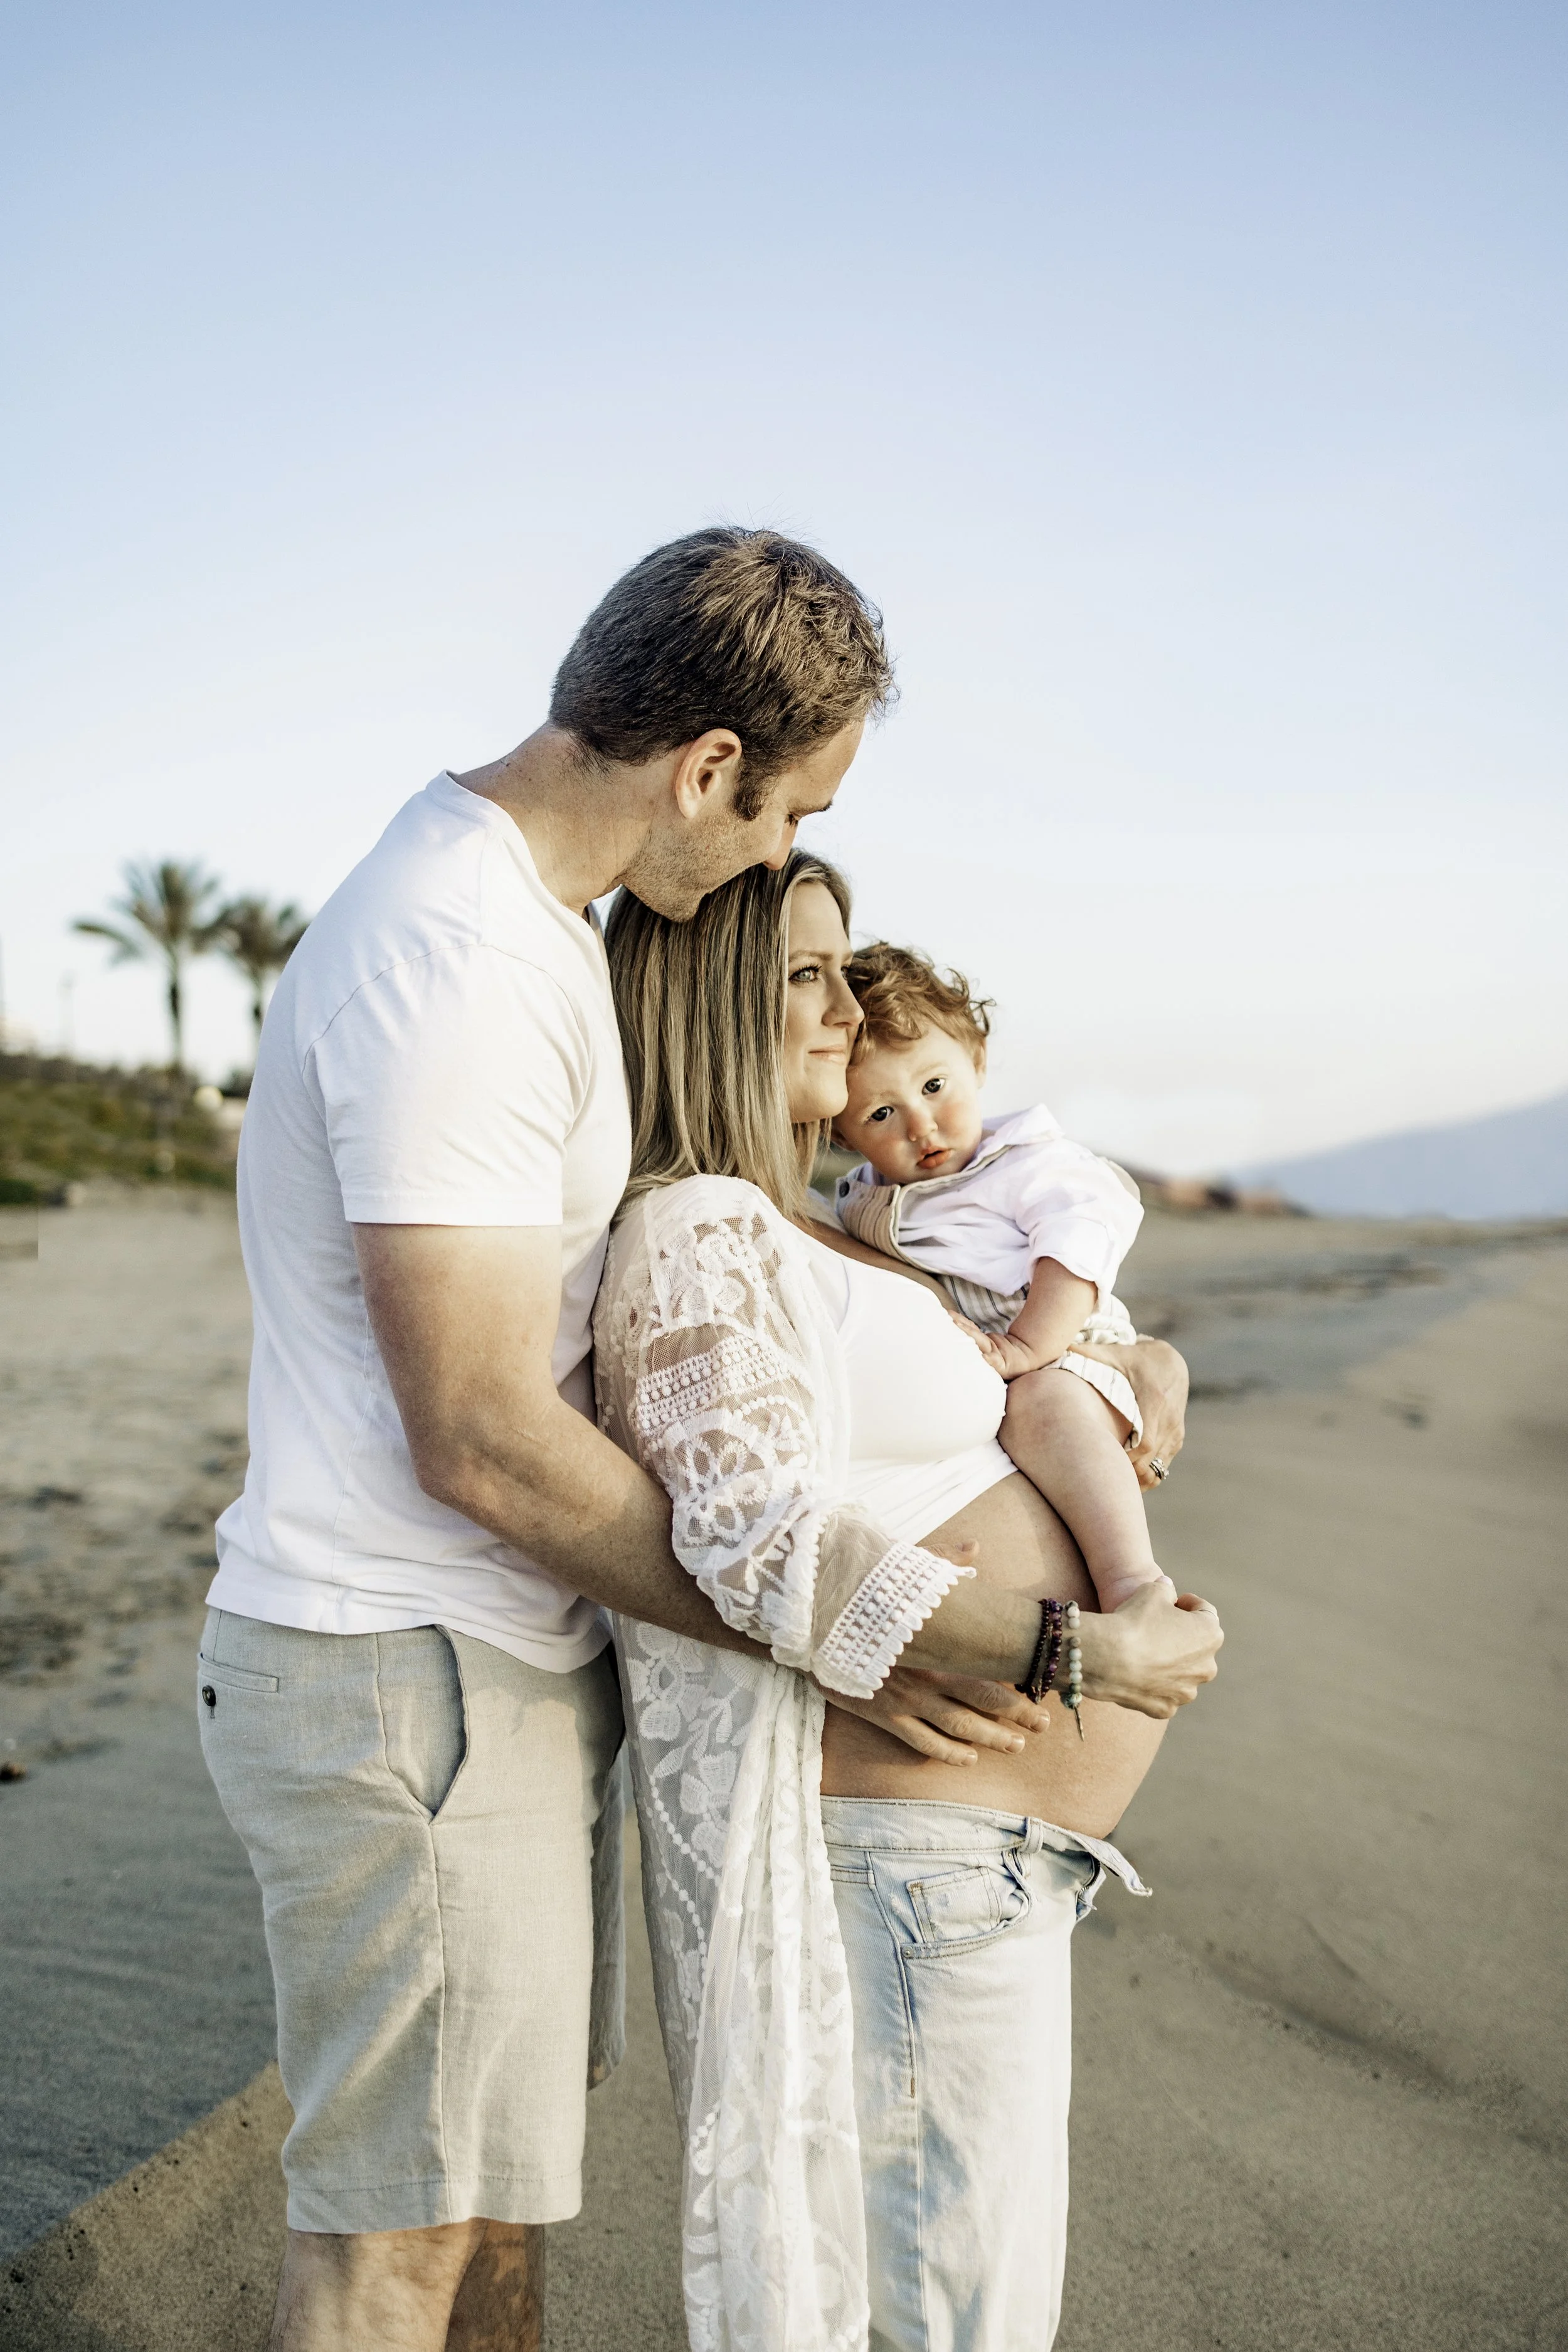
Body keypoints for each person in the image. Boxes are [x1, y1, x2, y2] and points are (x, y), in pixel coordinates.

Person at [195, 526, 1207, 2352]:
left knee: (481, 2221)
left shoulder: (531, 935)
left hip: (475, 1670)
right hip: (398, 1657)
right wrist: (936, 1631)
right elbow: (484, 1432)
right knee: (396, 2245)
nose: (778, 868)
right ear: (708, 767)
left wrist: (1101, 1366)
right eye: (781, 816)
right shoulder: (461, 959)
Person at [595, 852, 1223, 2352]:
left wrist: (1143, 1360)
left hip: (977, 1863)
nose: (844, 1002)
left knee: (980, 2298)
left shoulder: (842, 1223)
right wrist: (1070, 1641)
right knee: (955, 2314)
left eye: (840, 967)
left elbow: (1015, 1342)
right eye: (803, 972)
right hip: (908, 1858)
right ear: (706, 997)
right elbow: (743, 1528)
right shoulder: (698, 1229)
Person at [832, 941, 1166, 1613]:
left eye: (933, 1087)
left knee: (1043, 1407)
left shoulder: (1028, 1162)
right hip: (994, 1362)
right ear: (842, 1137)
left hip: (1069, 1345)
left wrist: (1028, 1346)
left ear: (976, 1061)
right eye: (880, 1114)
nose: (920, 1125)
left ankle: (1133, 1580)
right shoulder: (855, 1200)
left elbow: (1081, 1236)